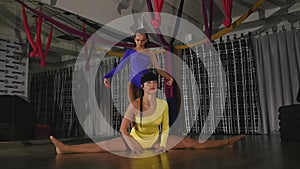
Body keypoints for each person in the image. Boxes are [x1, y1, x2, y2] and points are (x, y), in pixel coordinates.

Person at [50, 72, 246, 154]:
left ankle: (226, 142)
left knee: (189, 142)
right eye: (148, 83)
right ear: (143, 87)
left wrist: (161, 144)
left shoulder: (161, 104)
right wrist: (133, 144)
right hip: (135, 137)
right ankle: (65, 149)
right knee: (104, 146)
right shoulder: (134, 104)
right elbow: (123, 129)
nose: (152, 85)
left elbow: (166, 127)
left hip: (154, 138)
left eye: (154, 83)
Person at [103, 28, 173, 102]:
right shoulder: (130, 52)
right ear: (134, 39)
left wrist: (169, 78)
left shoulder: (150, 53)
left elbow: (158, 70)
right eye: (137, 40)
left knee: (145, 109)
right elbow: (120, 66)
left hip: (145, 82)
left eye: (142, 40)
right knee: (133, 108)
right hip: (133, 81)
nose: (140, 42)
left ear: (146, 40)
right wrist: (107, 76)